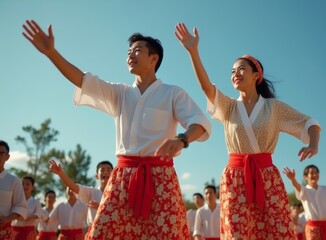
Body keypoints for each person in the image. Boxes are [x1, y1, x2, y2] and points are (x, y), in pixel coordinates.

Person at [22, 19, 211, 239]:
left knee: (166, 234)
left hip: (161, 178)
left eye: (137, 50)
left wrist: (182, 140)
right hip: (122, 177)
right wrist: (51, 53)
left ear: (153, 59)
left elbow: (199, 123)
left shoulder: (173, 93)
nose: (130, 54)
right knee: (102, 233)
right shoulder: (119, 93)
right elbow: (82, 80)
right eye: (129, 51)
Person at [175, 22, 321, 239]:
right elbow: (207, 88)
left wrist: (313, 144)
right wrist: (193, 52)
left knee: (277, 232)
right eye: (232, 71)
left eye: (242, 68)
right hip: (235, 178)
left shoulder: (274, 108)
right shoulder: (229, 106)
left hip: (267, 178)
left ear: (256, 75)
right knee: (238, 234)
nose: (236, 73)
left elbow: (309, 122)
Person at [284, 164, 326, 240]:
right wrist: (292, 179)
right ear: (305, 177)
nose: (314, 175)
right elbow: (298, 187)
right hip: (312, 228)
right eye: (311, 173)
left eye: (316, 173)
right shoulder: (305, 190)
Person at [48, 160, 113, 228]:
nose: (105, 172)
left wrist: (101, 207)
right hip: (95, 233)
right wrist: (61, 173)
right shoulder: (92, 192)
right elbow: (73, 187)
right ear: (97, 176)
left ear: (114, 174)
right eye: (102, 170)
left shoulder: (119, 193)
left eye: (108, 170)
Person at [0, 140, 27, 239]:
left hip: (4, 231)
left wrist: (7, 219)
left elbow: (21, 206)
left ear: (7, 157)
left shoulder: (13, 181)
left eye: (1, 153)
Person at [11, 176, 44, 240]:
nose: (24, 186)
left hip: (28, 232)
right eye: (22, 184)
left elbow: (39, 213)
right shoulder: (14, 200)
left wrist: (31, 217)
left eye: (27, 184)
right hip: (14, 232)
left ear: (33, 187)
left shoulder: (36, 202)